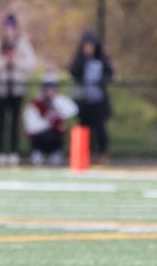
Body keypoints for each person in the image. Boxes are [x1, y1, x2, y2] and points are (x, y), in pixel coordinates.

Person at [0, 13, 36, 165]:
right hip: (1, 89)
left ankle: (14, 152)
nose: (9, 31)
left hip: (17, 89)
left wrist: (15, 61)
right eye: (7, 28)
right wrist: (5, 61)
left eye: (12, 28)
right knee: (1, 122)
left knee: (15, 122)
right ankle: (0, 152)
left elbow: (30, 64)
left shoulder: (23, 44)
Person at [69, 30, 114, 162]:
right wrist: (83, 59)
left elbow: (109, 74)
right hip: (84, 100)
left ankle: (102, 153)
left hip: (99, 100)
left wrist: (102, 80)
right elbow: (73, 71)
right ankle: (84, 154)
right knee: (84, 127)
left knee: (100, 128)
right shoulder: (79, 58)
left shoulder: (102, 59)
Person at [23, 72, 78, 165]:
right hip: (39, 138)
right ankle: (38, 154)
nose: (50, 90)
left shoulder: (58, 101)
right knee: (43, 135)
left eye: (53, 86)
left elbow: (73, 110)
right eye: (47, 87)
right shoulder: (36, 104)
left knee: (57, 133)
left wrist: (56, 100)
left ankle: (55, 154)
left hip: (55, 139)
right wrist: (48, 121)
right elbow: (31, 127)